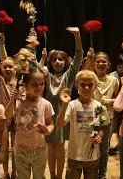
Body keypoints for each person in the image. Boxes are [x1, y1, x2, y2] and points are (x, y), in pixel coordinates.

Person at [44, 27, 83, 179]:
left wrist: (77, 35)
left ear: (66, 61)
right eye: (54, 59)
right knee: (50, 149)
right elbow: (33, 64)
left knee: (60, 149)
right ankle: (52, 175)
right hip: (48, 116)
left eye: (60, 59)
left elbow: (79, 56)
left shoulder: (69, 75)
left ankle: (59, 176)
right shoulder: (46, 75)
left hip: (63, 114)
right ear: (50, 62)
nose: (58, 62)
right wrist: (32, 42)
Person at [7, 67, 55, 179]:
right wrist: (12, 99)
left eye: (41, 84)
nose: (38, 87)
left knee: (39, 176)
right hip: (21, 150)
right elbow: (7, 115)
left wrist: (47, 130)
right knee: (22, 176)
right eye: (34, 84)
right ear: (26, 85)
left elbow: (51, 124)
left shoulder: (46, 104)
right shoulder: (19, 101)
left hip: (39, 150)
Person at [57, 70, 105, 179]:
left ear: (96, 86)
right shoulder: (72, 105)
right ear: (76, 86)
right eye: (83, 85)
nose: (86, 88)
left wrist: (99, 136)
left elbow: (102, 128)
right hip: (74, 155)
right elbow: (59, 124)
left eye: (90, 85)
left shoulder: (99, 106)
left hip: (92, 156)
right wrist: (64, 105)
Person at [89, 52, 119, 179]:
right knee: (89, 145)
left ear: (108, 64)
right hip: (89, 118)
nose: (101, 64)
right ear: (93, 64)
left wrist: (109, 101)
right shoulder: (89, 78)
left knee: (104, 148)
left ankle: (102, 174)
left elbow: (118, 100)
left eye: (104, 62)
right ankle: (90, 173)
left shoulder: (114, 80)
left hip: (107, 119)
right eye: (98, 62)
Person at [109, 54, 123, 155]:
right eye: (119, 67)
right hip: (115, 104)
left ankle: (122, 145)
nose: (121, 69)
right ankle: (112, 144)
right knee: (115, 125)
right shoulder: (113, 76)